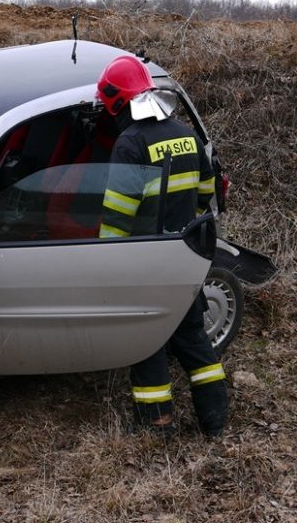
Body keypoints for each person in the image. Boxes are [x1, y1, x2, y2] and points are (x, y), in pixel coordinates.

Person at [96, 55, 229, 437]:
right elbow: (207, 194)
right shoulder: (186, 134)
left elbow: (116, 220)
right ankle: (214, 419)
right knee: (192, 338)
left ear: (117, 102)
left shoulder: (130, 144)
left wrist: (103, 263)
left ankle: (158, 424)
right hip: (184, 254)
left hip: (143, 259)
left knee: (146, 340)